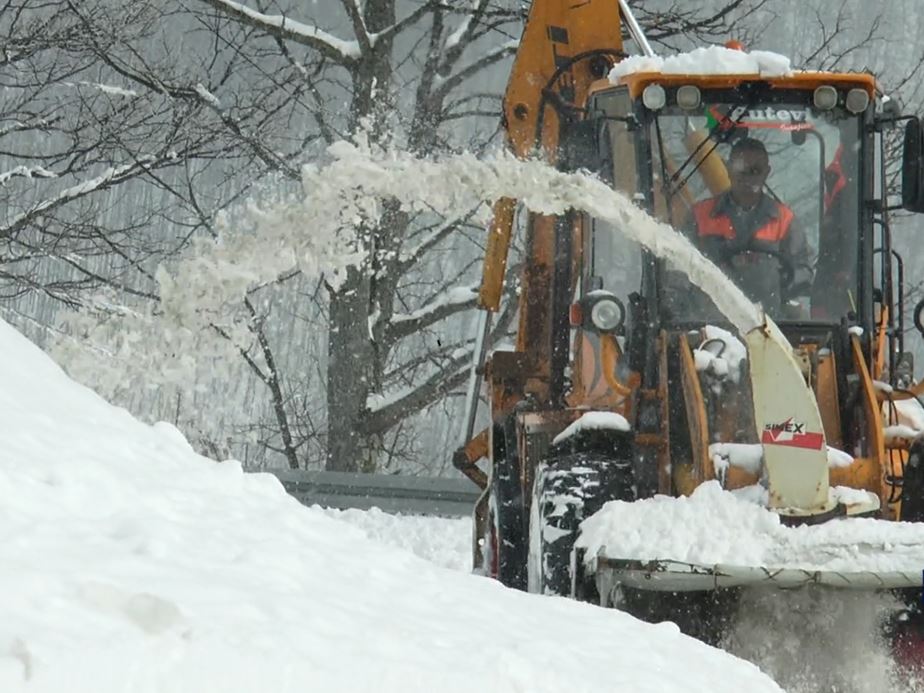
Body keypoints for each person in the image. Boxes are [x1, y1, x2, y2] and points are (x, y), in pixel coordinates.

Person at [685, 137, 814, 316]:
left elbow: (803, 272)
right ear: (728, 169)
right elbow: (679, 267)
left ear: (766, 172)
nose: (748, 177)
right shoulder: (699, 216)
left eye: (755, 170)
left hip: (772, 328)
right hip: (709, 328)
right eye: (741, 170)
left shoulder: (785, 221)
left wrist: (775, 280)